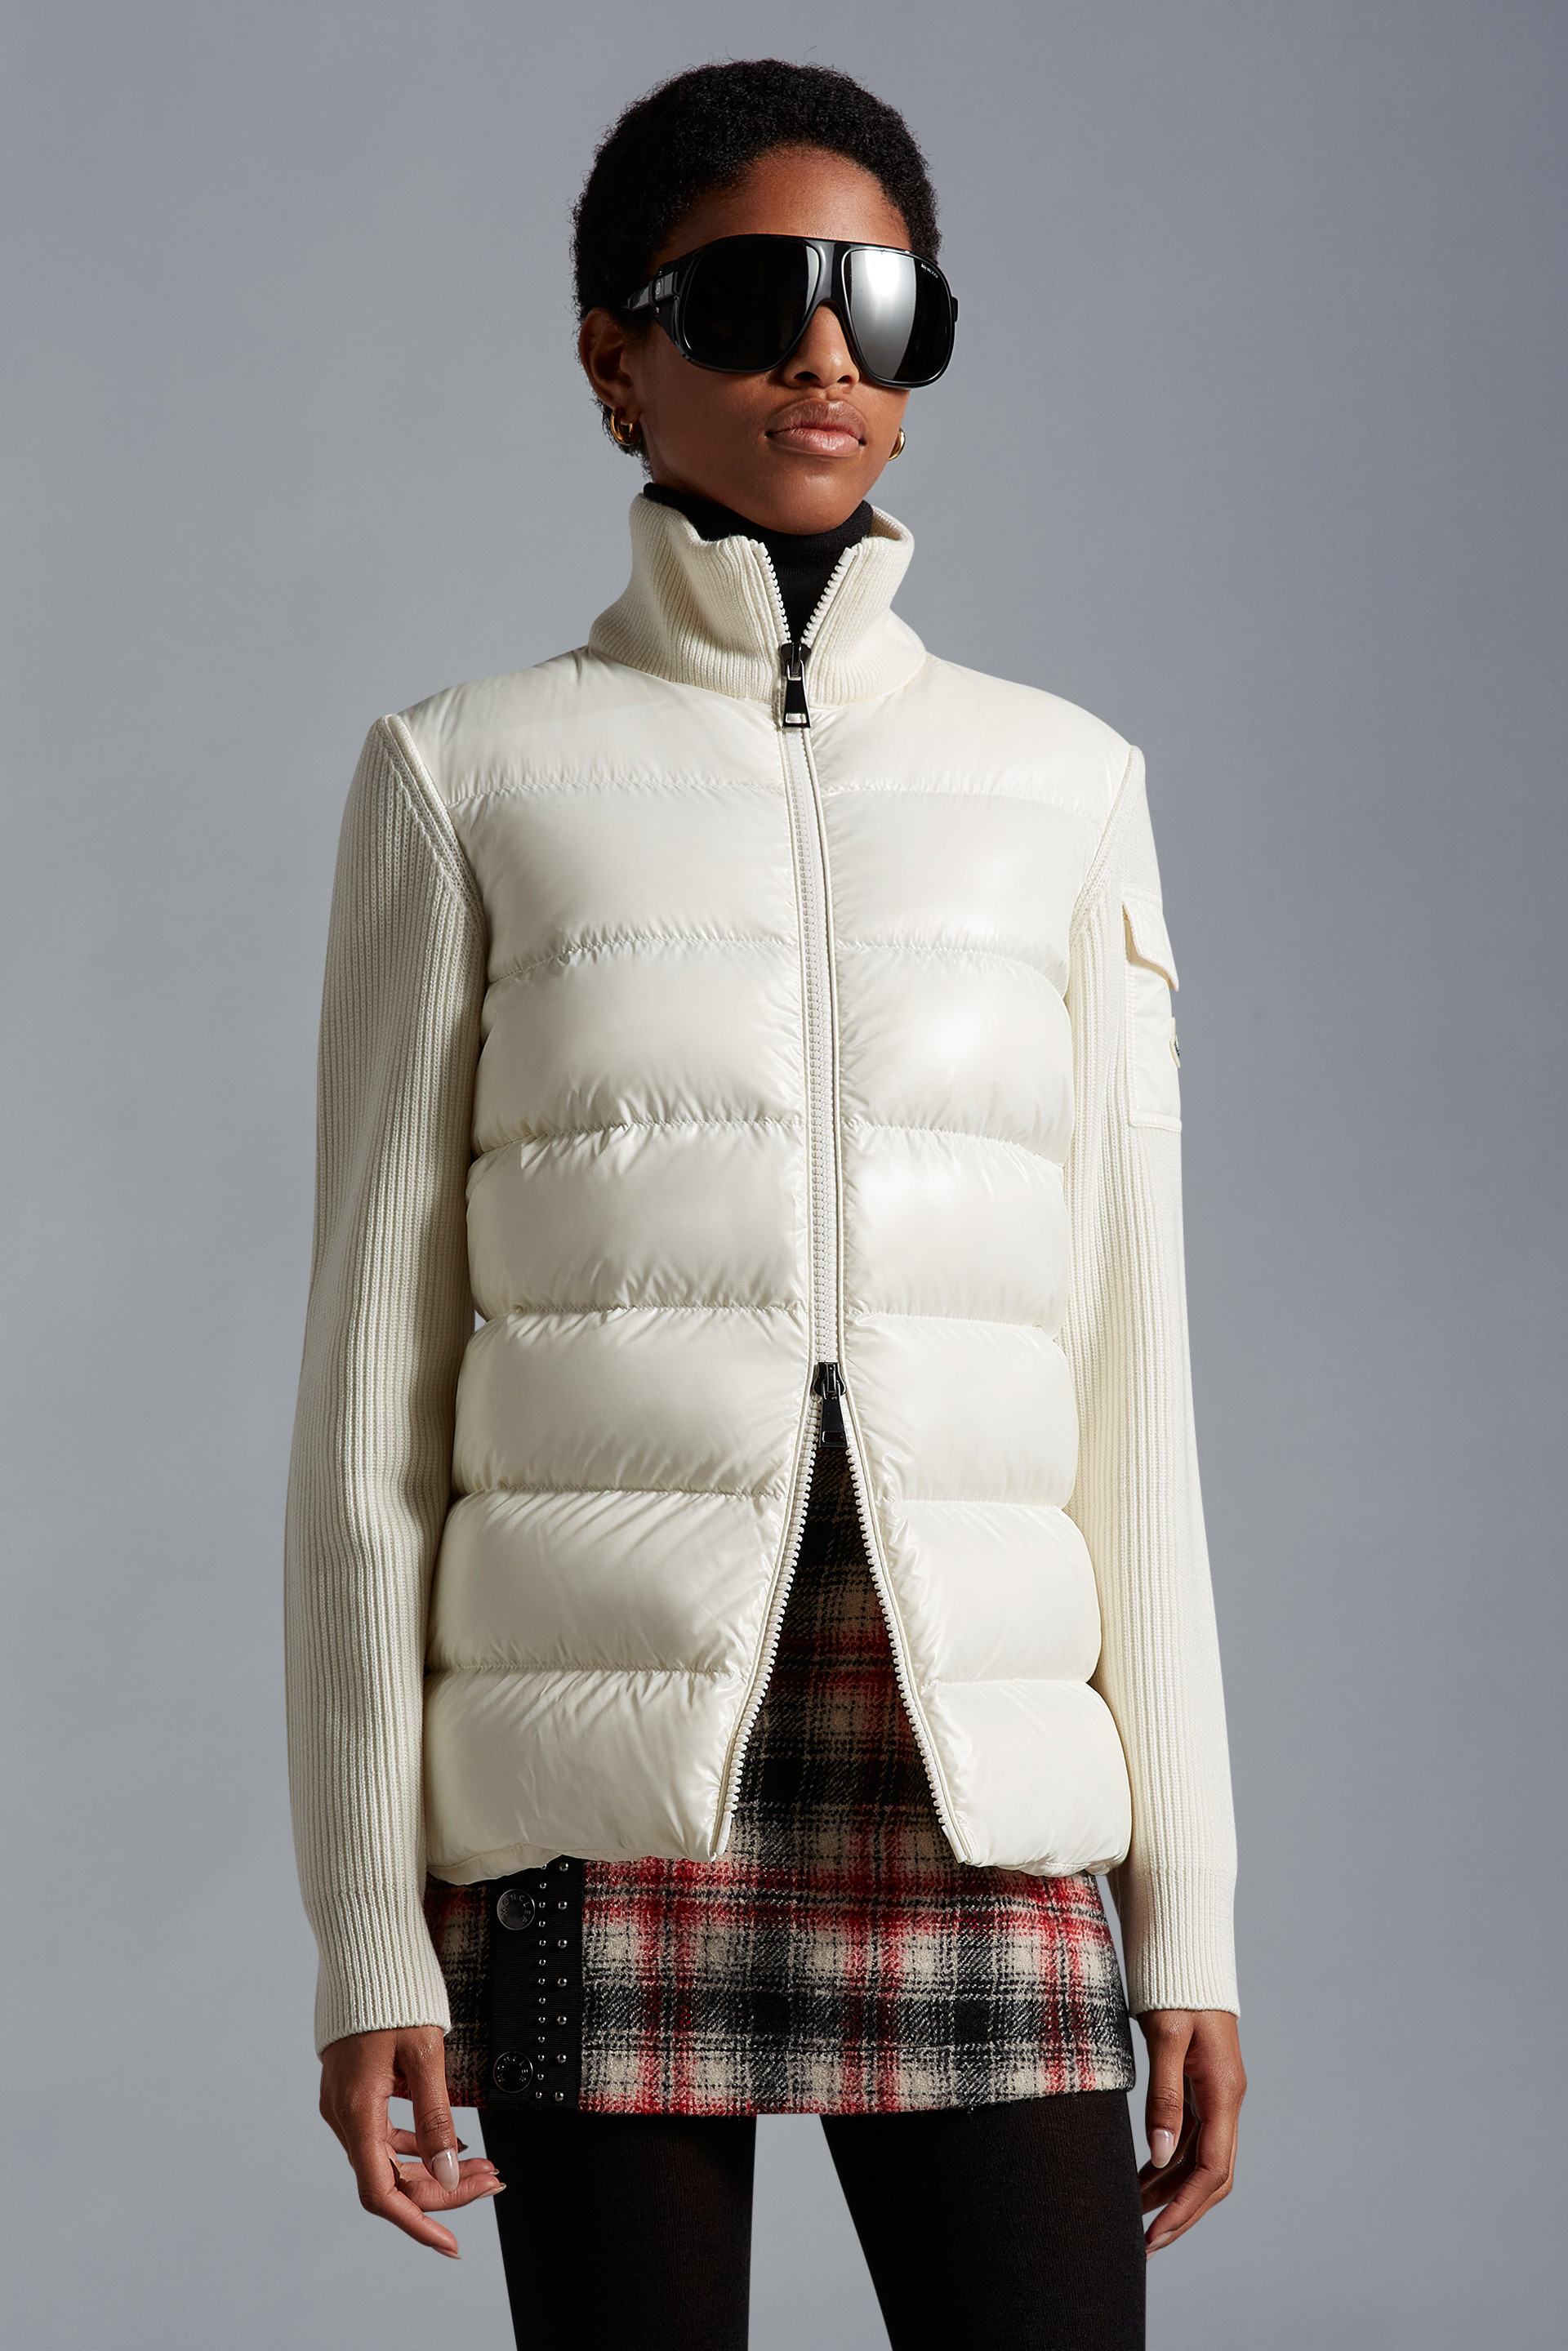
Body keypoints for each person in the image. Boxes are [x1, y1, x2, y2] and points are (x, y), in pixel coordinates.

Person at [284, 58, 1246, 2351]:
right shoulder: (462, 776)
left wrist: (1192, 1913)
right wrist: (365, 1933)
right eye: (747, 298)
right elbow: (367, 1416)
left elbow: (1133, 1386)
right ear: (614, 355)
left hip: (974, 1777)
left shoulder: (1064, 788)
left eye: (880, 304)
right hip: (591, 1793)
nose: (823, 353)